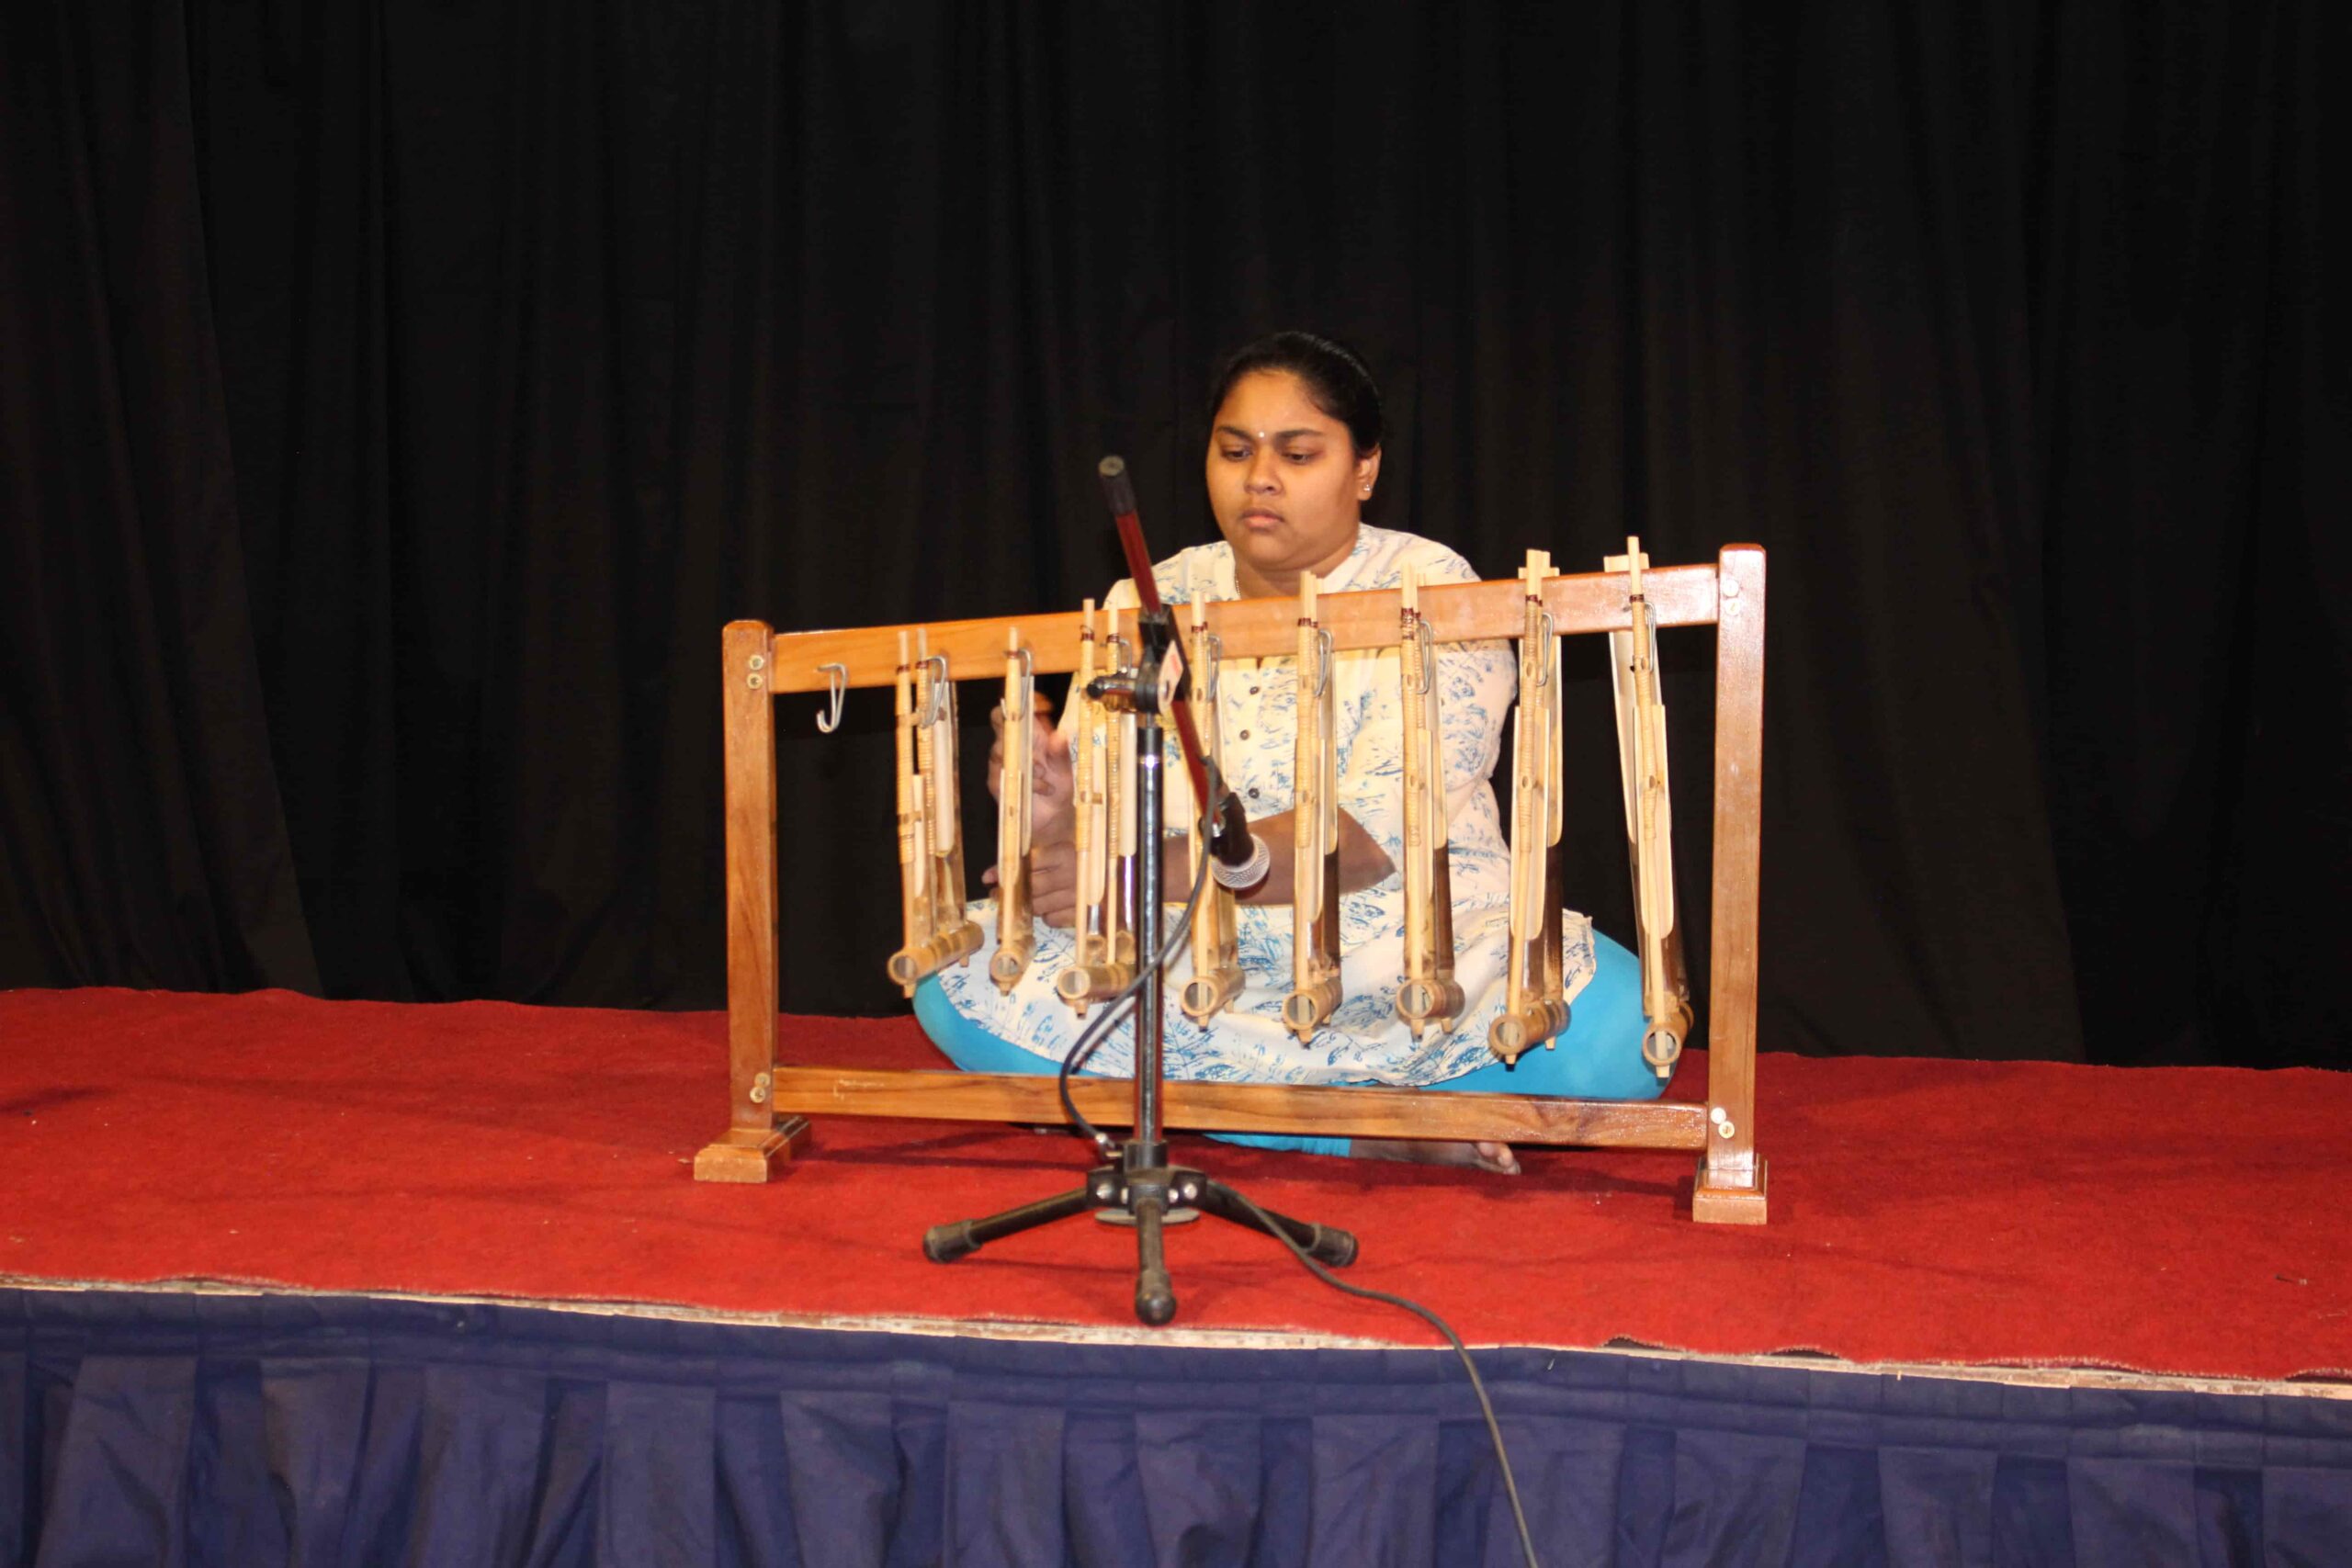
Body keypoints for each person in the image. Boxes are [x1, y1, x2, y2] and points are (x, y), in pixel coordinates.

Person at [916, 332, 1666, 1173]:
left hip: (1412, 956)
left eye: (1298, 454)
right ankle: (1356, 1128)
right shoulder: (1150, 598)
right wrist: (1056, 818)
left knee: (1624, 1027)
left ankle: (1246, 1106)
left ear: (1365, 469)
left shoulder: (1437, 588)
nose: (1259, 478)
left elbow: (1371, 840)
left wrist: (1139, 871)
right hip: (1195, 960)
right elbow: (1098, 853)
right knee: (961, 971)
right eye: (1235, 450)